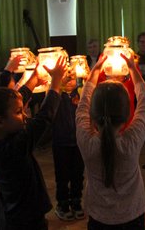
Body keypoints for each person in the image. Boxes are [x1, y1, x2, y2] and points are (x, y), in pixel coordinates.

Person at [0, 56, 66, 229]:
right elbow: (44, 118)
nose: (24, 114)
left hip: (13, 215)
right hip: (25, 219)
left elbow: (17, 98)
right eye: (18, 112)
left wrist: (34, 79)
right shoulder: (14, 147)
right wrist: (56, 82)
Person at [76, 54, 145, 229]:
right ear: (127, 116)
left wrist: (94, 72)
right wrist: (133, 69)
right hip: (132, 215)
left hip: (98, 217)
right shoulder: (131, 142)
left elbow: (82, 107)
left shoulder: (87, 142)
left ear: (93, 117)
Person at [52, 72, 85, 221]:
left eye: (73, 78)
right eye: (67, 77)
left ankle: (76, 202)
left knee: (78, 174)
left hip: (78, 142)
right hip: (60, 141)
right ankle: (63, 204)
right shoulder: (56, 95)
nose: (70, 81)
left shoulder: (81, 93)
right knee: (62, 175)